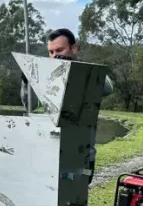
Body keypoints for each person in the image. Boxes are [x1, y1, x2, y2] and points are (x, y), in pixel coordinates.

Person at [20, 28, 113, 184]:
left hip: (81, 153)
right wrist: (26, 81)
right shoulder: (43, 75)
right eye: (51, 52)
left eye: (59, 50)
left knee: (74, 200)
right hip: (48, 149)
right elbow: (29, 105)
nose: (55, 55)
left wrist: (74, 68)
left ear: (74, 48)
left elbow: (107, 88)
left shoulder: (88, 72)